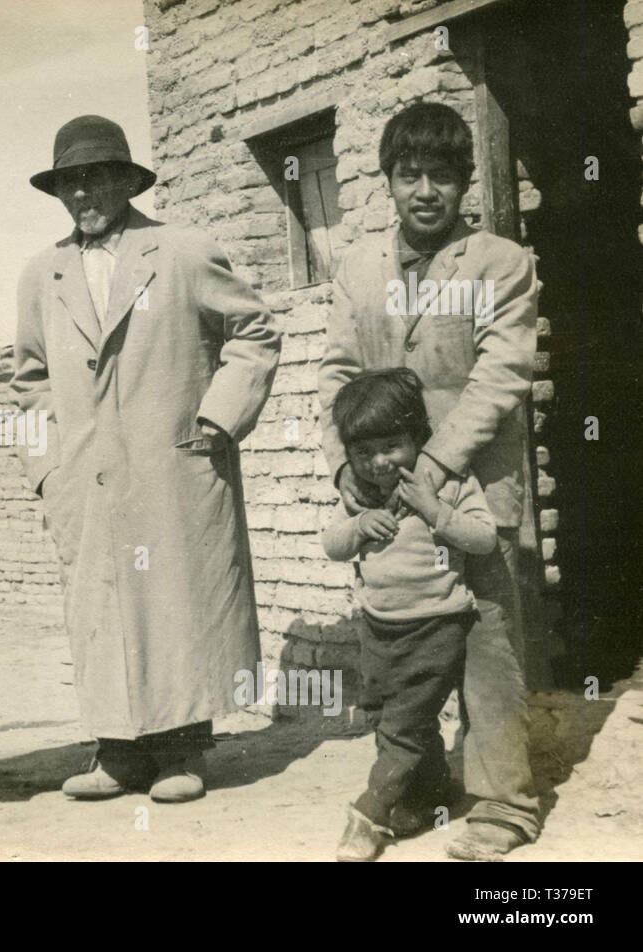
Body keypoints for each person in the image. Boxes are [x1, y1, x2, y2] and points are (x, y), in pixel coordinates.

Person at [12, 115, 280, 803]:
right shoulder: (44, 274)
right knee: (102, 609)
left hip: (171, 466)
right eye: (70, 182)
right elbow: (29, 381)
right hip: (87, 476)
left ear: (127, 180)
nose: (83, 194)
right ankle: (118, 753)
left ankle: (181, 752)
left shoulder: (182, 252)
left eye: (96, 177)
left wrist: (220, 416)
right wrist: (47, 469)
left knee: (174, 601)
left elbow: (253, 331)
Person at [317, 101, 540, 860]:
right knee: (398, 650)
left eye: (442, 176)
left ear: (465, 182)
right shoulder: (359, 271)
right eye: (409, 174)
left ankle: (504, 803)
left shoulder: (498, 263)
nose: (425, 192)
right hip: (380, 487)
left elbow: (500, 375)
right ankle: (418, 788)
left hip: (470, 483)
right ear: (387, 180)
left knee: (483, 638)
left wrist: (435, 469)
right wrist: (349, 468)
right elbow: (339, 376)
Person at [322, 368, 497, 861]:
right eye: (362, 452)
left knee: (404, 723)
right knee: (386, 716)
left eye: (392, 446)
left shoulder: (448, 481)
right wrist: (358, 525)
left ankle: (370, 813)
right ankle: (431, 791)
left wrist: (434, 510)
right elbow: (332, 543)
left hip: (436, 624)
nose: (378, 463)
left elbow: (483, 538)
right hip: (377, 624)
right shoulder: (360, 490)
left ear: (418, 436)